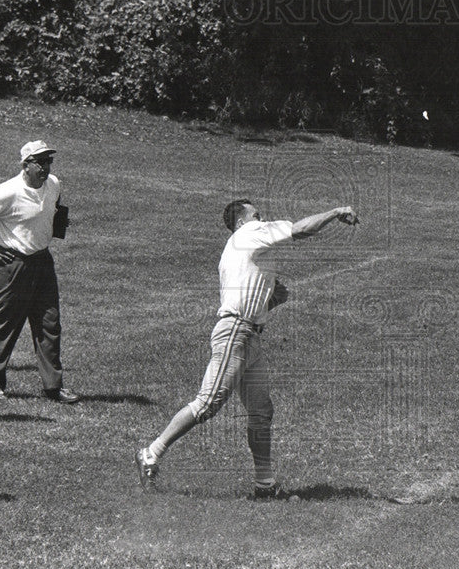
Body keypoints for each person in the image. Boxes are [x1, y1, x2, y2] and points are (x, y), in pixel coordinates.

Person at [135, 199, 359, 498]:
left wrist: (272, 296)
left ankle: (264, 486)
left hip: (249, 336)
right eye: (256, 214)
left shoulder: (241, 247)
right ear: (242, 221)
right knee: (208, 403)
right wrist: (334, 212)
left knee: (261, 412)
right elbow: (301, 229)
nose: (261, 217)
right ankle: (151, 452)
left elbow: (256, 293)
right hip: (236, 333)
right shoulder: (249, 233)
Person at [0, 139, 79, 404]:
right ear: (26, 165)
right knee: (5, 323)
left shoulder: (53, 184)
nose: (46, 167)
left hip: (42, 261)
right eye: (40, 162)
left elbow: (54, 207)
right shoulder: (8, 191)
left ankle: (53, 386)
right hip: (13, 264)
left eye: (49, 161)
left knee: (49, 323)